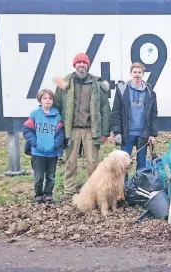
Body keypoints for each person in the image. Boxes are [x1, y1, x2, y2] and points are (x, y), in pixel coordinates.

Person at [53, 52, 111, 201]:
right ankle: (69, 191)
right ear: (74, 65)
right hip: (71, 129)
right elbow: (57, 108)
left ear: (88, 65)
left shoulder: (97, 85)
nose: (81, 65)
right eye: (78, 63)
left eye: (84, 63)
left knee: (93, 162)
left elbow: (105, 110)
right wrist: (58, 129)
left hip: (90, 130)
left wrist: (104, 132)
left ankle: (93, 192)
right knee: (70, 162)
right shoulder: (64, 85)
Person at [111, 62, 158, 171]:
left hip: (143, 134)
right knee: (123, 165)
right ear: (131, 73)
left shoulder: (150, 92)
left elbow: (154, 114)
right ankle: (124, 187)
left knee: (141, 163)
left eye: (139, 72)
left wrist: (152, 134)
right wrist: (117, 131)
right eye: (135, 72)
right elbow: (116, 112)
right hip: (127, 134)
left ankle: (139, 186)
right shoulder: (122, 90)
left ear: (143, 74)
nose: (137, 75)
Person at [23, 89, 65, 204]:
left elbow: (61, 132)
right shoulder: (35, 114)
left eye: (50, 98)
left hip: (52, 153)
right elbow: (27, 130)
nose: (48, 100)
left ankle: (48, 194)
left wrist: (54, 144)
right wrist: (36, 143)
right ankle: (38, 195)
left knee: (51, 176)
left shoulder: (57, 115)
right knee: (39, 177)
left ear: (53, 101)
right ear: (40, 100)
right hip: (38, 153)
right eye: (45, 98)